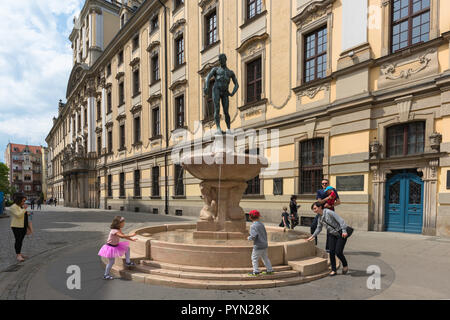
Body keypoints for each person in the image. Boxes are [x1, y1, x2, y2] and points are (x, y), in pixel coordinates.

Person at [307, 202, 349, 276]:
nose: (314, 210)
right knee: (331, 252)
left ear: (320, 207)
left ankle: (345, 265)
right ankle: (334, 270)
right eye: (313, 209)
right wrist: (312, 236)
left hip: (340, 233)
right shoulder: (319, 217)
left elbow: (341, 220)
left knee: (338, 252)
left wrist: (344, 231)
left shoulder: (329, 212)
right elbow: (319, 228)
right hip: (331, 234)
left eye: (315, 208)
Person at [203, 53, 239, 135]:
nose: (220, 61)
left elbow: (236, 84)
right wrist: (207, 86)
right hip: (216, 89)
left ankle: (228, 128)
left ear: (225, 60)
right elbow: (208, 77)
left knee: (226, 111)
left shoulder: (230, 73)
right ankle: (218, 128)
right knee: (217, 108)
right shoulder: (216, 69)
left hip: (225, 91)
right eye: (219, 60)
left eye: (221, 60)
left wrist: (233, 92)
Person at [247, 210, 274, 276]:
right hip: (264, 244)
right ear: (258, 217)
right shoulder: (261, 224)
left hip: (258, 245)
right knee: (265, 258)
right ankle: (270, 270)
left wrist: (249, 238)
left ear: (250, 217)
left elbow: (254, 236)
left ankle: (255, 271)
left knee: (254, 258)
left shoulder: (253, 226)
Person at [9, 193, 32, 262]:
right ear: (19, 200)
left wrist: (27, 213)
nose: (24, 202)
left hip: (23, 225)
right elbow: (18, 215)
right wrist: (24, 209)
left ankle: (19, 253)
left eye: (24, 201)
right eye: (23, 201)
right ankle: (18, 255)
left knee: (20, 240)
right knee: (18, 240)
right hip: (16, 226)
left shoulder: (19, 206)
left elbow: (22, 213)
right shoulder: (13, 207)